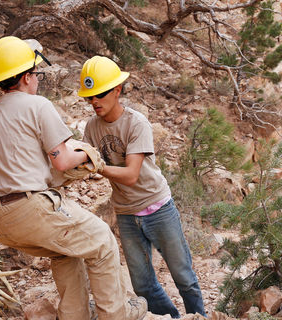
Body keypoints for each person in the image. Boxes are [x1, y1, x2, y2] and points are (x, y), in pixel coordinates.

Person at [0, 37, 146, 320]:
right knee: (102, 240)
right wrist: (88, 154)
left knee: (63, 251)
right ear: (27, 77)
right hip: (26, 209)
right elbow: (64, 160)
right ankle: (116, 315)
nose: (38, 81)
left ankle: (74, 315)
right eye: (37, 75)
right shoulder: (37, 105)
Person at [77, 56, 206, 318]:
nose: (94, 102)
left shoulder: (137, 123)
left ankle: (199, 317)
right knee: (142, 284)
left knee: (184, 277)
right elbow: (83, 159)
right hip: (125, 212)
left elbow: (131, 175)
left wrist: (96, 166)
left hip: (158, 207)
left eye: (100, 94)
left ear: (117, 90)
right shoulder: (91, 126)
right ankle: (172, 317)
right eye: (89, 97)